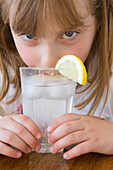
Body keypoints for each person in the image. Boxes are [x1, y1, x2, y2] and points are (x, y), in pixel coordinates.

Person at [0, 0, 113, 160]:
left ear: (99, 20)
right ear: (7, 23)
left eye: (69, 34)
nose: (48, 61)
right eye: (30, 36)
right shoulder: (5, 71)